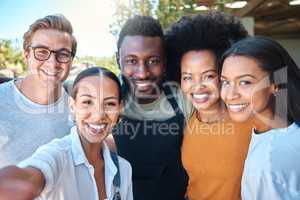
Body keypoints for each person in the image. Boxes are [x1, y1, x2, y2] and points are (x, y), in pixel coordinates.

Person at [0, 67, 133, 200]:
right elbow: (30, 176)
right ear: (72, 105)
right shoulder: (56, 156)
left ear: (119, 108)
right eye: (87, 102)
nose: (98, 115)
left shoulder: (123, 169)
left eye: (110, 104)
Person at [165, 11, 252, 200]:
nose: (197, 86)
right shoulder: (187, 123)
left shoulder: (250, 122)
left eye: (208, 76)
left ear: (223, 74)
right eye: (188, 77)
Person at [112, 15, 192, 200]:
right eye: (132, 61)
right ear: (118, 60)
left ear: (164, 62)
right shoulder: (108, 99)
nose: (142, 73)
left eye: (153, 61)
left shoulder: (183, 99)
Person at [220, 36, 300, 200]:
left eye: (245, 82)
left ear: (275, 84)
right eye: (225, 82)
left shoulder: (268, 161)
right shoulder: (287, 131)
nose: (230, 95)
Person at [0, 14, 76, 167]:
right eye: (42, 51)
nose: (52, 63)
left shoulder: (78, 108)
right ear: (26, 55)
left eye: (63, 54)